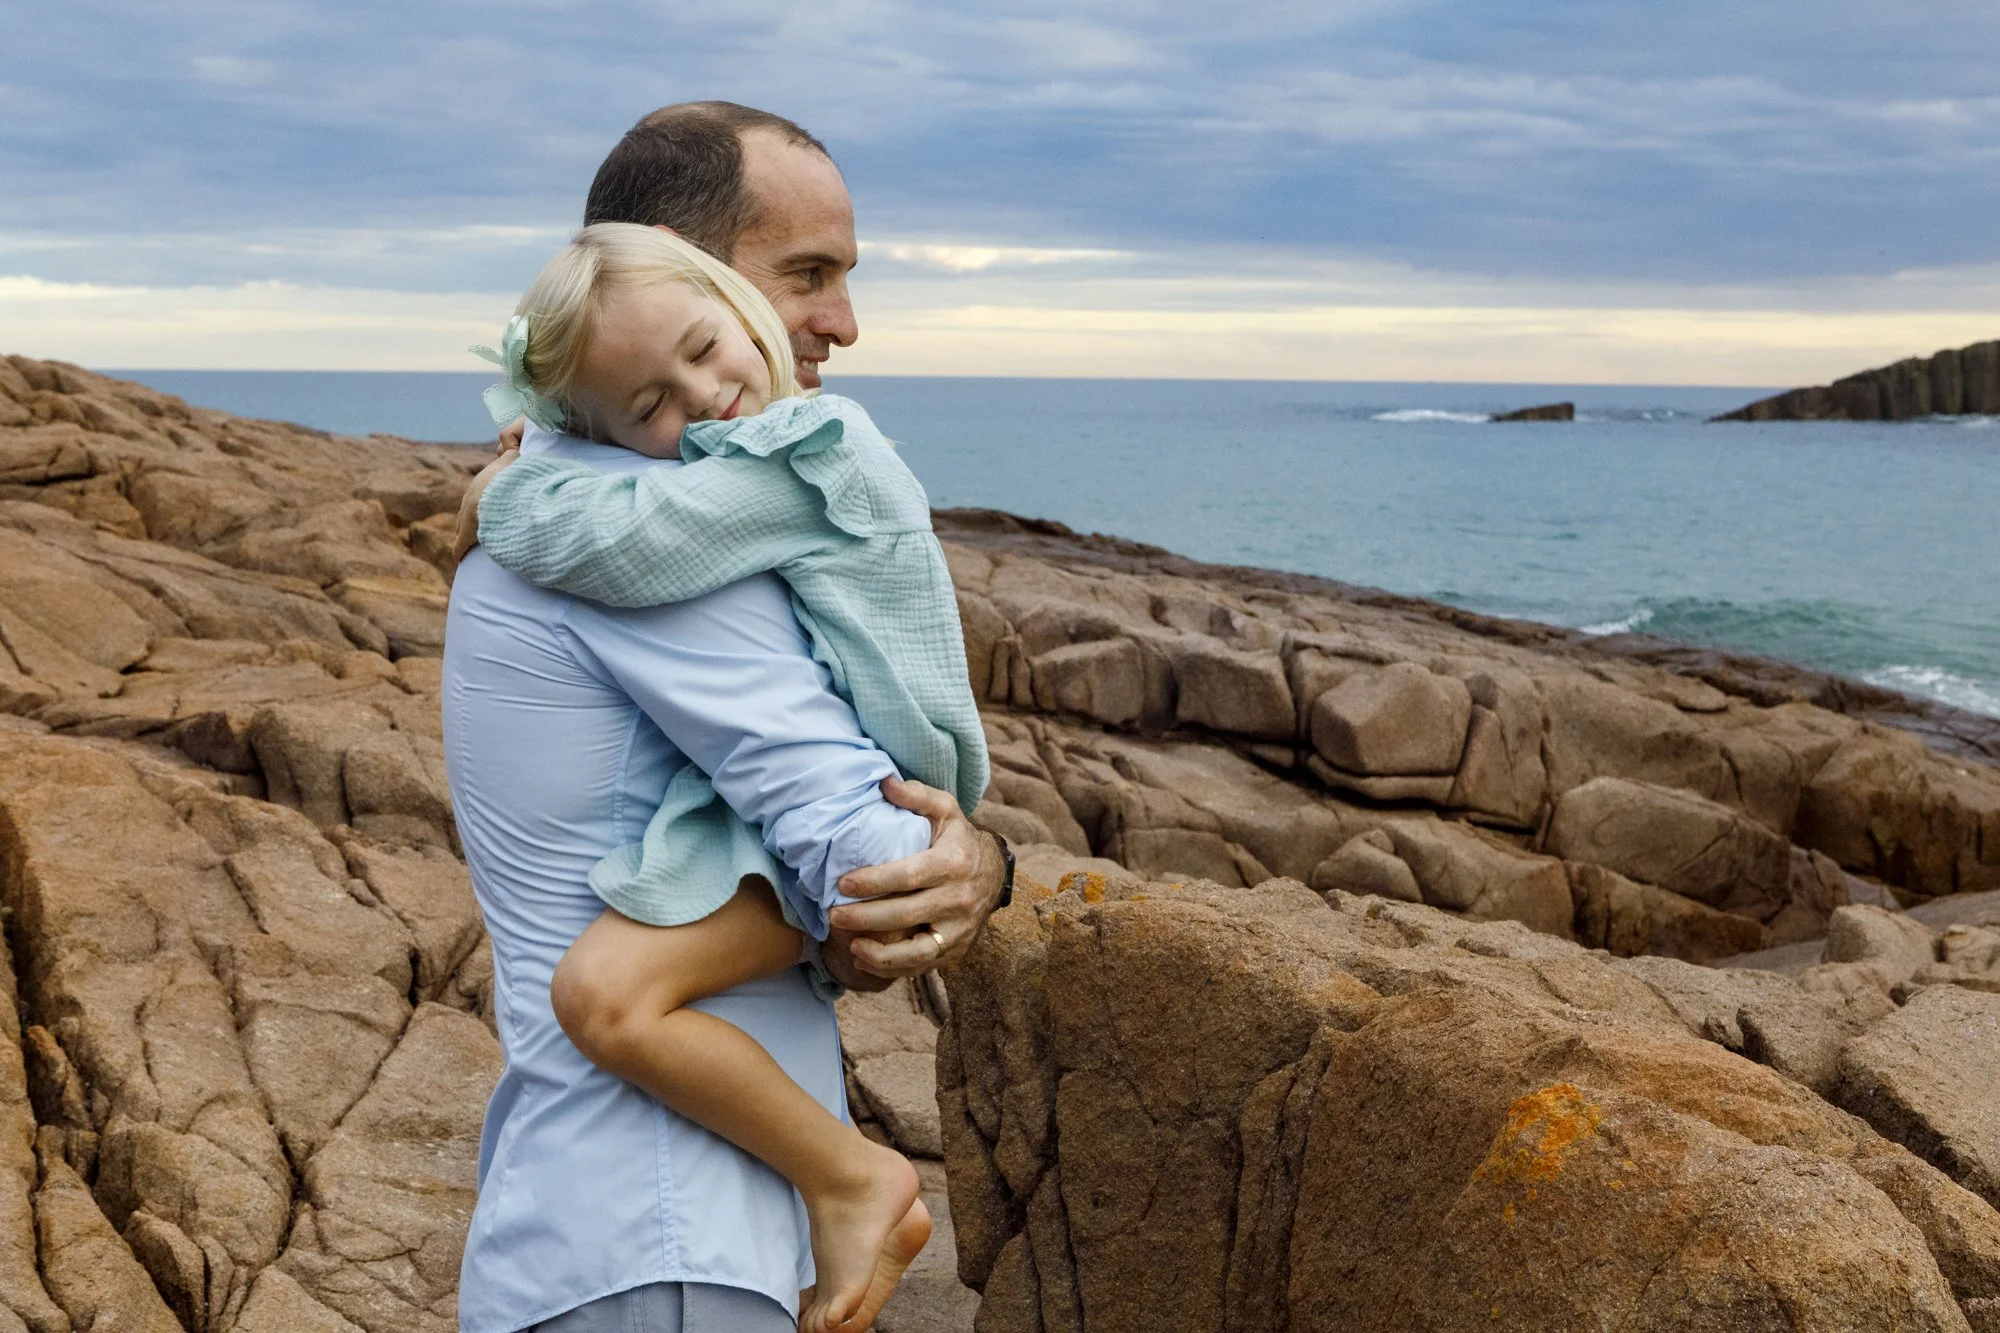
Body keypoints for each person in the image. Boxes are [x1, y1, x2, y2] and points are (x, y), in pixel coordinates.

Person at [444, 103, 1011, 1333]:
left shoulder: (623, 487)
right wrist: (951, 867)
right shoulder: (641, 546)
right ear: (672, 261)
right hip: (667, 1235)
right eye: (806, 274)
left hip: (619, 1233)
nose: (842, 322)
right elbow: (862, 851)